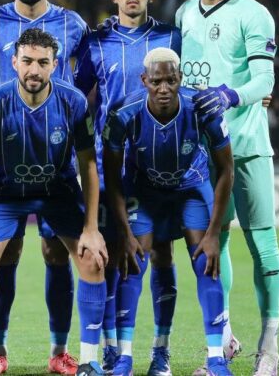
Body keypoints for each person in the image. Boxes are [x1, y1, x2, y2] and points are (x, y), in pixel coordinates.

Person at [0, 0, 89, 375]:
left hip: (57, 163)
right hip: (5, 163)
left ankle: (60, 351)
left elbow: (88, 73)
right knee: (6, 253)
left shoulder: (73, 24)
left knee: (57, 253)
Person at [176, 0, 279, 376]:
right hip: (202, 155)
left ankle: (269, 348)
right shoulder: (184, 13)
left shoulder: (255, 14)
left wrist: (231, 94)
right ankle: (221, 343)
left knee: (263, 246)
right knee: (211, 246)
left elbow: (265, 81)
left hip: (246, 148)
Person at [74, 0, 182, 375]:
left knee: (162, 253)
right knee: (110, 255)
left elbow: (186, 91)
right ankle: (112, 349)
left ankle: (161, 350)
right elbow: (76, 96)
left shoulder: (171, 37)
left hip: (159, 166)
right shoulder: (96, 41)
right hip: (110, 168)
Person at [102, 47, 234, 376]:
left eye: (171, 81)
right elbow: (112, 177)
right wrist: (124, 232)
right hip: (144, 192)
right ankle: (125, 358)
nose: (164, 88)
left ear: (180, 79)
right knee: (133, 263)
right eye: (156, 81)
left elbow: (226, 169)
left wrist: (214, 233)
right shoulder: (123, 113)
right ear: (144, 80)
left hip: (191, 188)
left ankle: (214, 358)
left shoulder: (202, 108)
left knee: (207, 263)